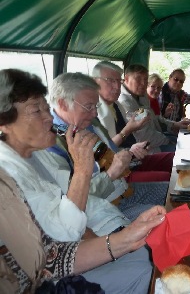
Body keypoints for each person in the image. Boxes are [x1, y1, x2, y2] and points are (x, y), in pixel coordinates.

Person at [0, 68, 166, 293]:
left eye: (46, 108)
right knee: (150, 267)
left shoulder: (38, 154)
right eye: (36, 110)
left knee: (154, 249)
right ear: (4, 122)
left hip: (102, 217)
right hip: (52, 275)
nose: (49, 117)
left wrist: (124, 238)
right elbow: (58, 242)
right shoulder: (10, 178)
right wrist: (84, 171)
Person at [47, 72, 167, 217]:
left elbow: (112, 156)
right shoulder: (52, 146)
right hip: (104, 210)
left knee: (175, 194)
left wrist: (130, 154)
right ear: (63, 104)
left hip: (125, 190)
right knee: (169, 217)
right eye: (89, 106)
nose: (95, 113)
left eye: (96, 105)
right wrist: (111, 174)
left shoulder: (92, 124)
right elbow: (71, 201)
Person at [93, 61, 174, 182]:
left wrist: (134, 147)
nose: (116, 87)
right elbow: (102, 154)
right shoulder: (92, 113)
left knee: (174, 159)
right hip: (118, 174)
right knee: (167, 179)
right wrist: (129, 132)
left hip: (134, 158)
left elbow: (152, 120)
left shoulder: (117, 105)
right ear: (94, 82)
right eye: (110, 80)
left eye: (118, 81)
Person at [118, 65, 189, 153]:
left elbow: (156, 118)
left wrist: (174, 125)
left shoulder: (142, 95)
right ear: (127, 78)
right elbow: (143, 135)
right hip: (144, 149)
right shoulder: (124, 102)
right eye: (138, 79)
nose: (143, 84)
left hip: (156, 137)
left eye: (145, 80)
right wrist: (167, 140)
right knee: (183, 152)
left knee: (186, 143)